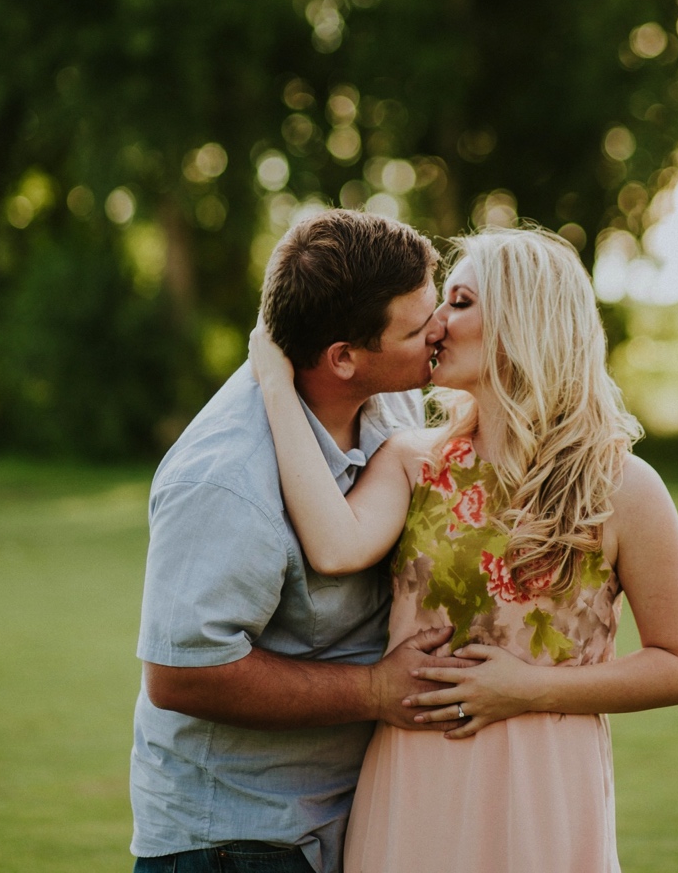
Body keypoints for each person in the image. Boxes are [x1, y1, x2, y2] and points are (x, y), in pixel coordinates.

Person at [252, 224, 678, 873]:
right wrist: (275, 385)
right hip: (414, 786)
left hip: (543, 792)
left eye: (460, 302)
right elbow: (332, 545)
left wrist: (529, 688)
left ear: (525, 320)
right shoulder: (413, 461)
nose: (434, 322)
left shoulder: (621, 486)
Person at [131, 209, 462, 873]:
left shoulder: (389, 400)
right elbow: (182, 675)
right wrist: (374, 691)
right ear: (343, 357)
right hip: (237, 842)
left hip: (346, 821)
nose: (441, 330)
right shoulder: (223, 479)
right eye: (416, 325)